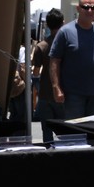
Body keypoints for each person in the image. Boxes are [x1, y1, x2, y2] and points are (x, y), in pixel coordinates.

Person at [49, 0, 94, 119]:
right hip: (72, 94)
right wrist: (56, 87)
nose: (89, 11)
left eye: (93, 7)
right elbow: (54, 61)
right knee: (74, 129)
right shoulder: (65, 32)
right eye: (86, 7)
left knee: (93, 129)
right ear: (78, 9)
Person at [31, 8, 65, 142]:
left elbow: (36, 72)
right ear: (63, 23)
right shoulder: (67, 44)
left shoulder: (41, 46)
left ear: (47, 25)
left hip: (45, 93)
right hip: (63, 92)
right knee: (65, 131)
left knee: (47, 131)